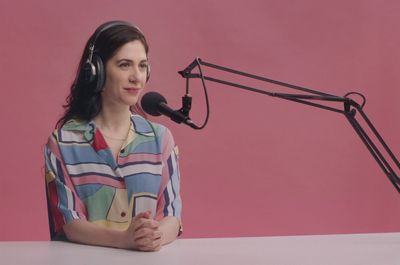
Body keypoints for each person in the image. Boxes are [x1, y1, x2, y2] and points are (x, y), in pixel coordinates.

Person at [44, 20, 182, 251]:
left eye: (142, 66)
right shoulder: (63, 142)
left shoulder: (161, 139)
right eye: (125, 65)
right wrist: (125, 239)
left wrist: (154, 235)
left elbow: (171, 215)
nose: (137, 77)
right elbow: (69, 222)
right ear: (96, 71)